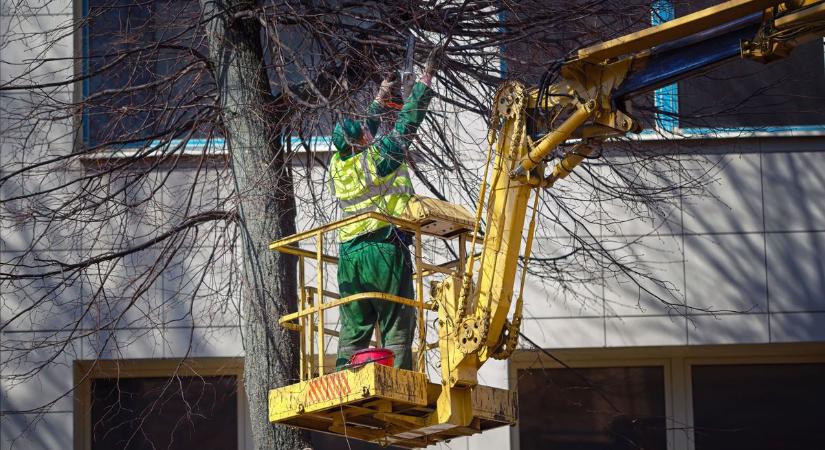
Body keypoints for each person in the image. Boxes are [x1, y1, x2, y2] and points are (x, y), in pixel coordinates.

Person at [330, 52, 439, 371]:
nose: (369, 133)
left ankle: (343, 383)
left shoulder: (338, 164)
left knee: (354, 328)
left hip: (349, 256)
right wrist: (424, 84)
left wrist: (380, 98)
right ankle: (399, 381)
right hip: (382, 251)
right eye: (363, 135)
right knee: (397, 323)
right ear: (358, 143)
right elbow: (407, 125)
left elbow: (365, 127)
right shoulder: (378, 159)